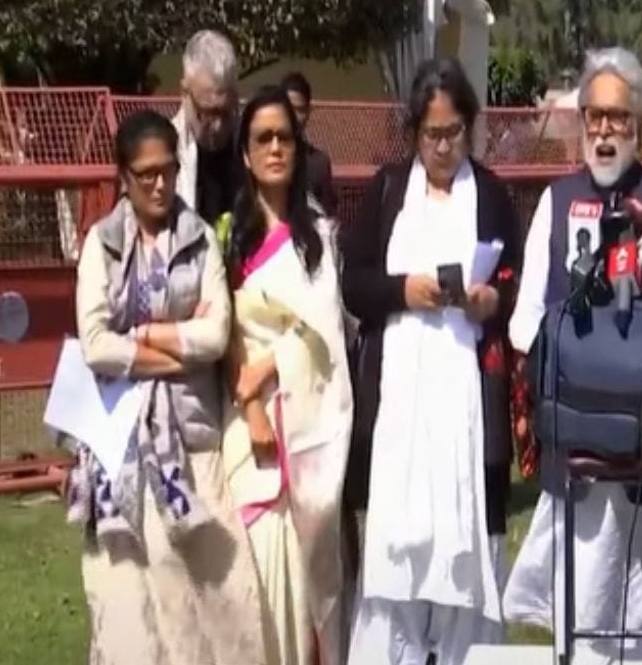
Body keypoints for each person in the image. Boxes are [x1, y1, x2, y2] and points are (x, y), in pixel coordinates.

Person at [69, 110, 268, 664]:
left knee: (216, 592)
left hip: (191, 440)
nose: (159, 184)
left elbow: (216, 335)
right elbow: (94, 343)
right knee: (130, 600)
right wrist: (172, 350)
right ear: (124, 177)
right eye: (146, 174)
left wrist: (141, 334)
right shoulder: (102, 244)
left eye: (168, 171)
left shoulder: (199, 239)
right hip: (120, 445)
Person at [503, 47, 642, 638]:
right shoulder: (555, 201)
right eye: (595, 116)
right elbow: (526, 321)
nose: (604, 131)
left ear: (640, 125)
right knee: (579, 608)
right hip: (577, 437)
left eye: (618, 117)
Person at [344, 58, 521, 665]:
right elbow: (354, 283)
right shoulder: (389, 191)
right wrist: (404, 290)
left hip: (466, 397)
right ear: (414, 133)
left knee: (464, 544)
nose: (443, 147)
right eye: (431, 134)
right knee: (397, 552)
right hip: (402, 402)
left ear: (470, 126)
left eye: (453, 132)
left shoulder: (491, 195)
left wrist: (489, 300)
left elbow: (512, 278)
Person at [221, 87, 353, 665]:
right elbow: (222, 325)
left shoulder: (317, 237)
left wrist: (269, 365)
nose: (275, 148)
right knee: (252, 565)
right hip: (245, 423)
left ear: (298, 149)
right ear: (245, 153)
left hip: (308, 420)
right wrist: (251, 404)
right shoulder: (229, 235)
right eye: (263, 138)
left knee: (308, 577)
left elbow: (327, 331)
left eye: (284, 137)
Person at [173, 29, 240, 224]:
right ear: (184, 93)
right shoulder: (165, 152)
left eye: (226, 112)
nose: (218, 126)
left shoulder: (251, 145)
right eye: (208, 113)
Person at [282, 71, 337, 217]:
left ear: (308, 112)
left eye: (300, 110)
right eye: (289, 109)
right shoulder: (266, 156)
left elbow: (328, 216)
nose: (294, 117)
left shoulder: (318, 164)